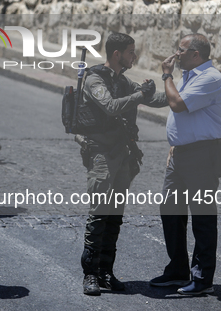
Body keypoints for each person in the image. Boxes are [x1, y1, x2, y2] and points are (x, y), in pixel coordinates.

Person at [77, 32, 167, 296]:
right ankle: (90, 274)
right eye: (130, 52)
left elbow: (154, 99)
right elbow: (110, 106)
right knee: (99, 214)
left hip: (122, 154)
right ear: (117, 54)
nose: (134, 56)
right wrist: (140, 95)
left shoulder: (122, 80)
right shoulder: (95, 79)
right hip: (101, 156)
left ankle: (106, 271)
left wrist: (177, 91)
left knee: (115, 215)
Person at [150, 33, 221, 295]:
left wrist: (166, 75)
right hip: (181, 154)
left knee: (202, 217)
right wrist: (176, 143)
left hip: (203, 156)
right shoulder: (191, 77)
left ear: (196, 54)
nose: (176, 54)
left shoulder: (210, 78)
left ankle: (202, 278)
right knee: (170, 210)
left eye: (181, 51)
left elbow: (177, 104)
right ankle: (178, 269)